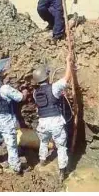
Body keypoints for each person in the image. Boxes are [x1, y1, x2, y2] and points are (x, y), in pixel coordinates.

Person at [32, 54, 72, 182]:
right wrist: (68, 63)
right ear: (46, 76)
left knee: (44, 142)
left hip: (42, 124)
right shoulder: (54, 87)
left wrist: (59, 95)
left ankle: (42, 161)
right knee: (61, 147)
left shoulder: (35, 93)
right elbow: (67, 78)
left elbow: (46, 102)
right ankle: (62, 172)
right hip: (55, 122)